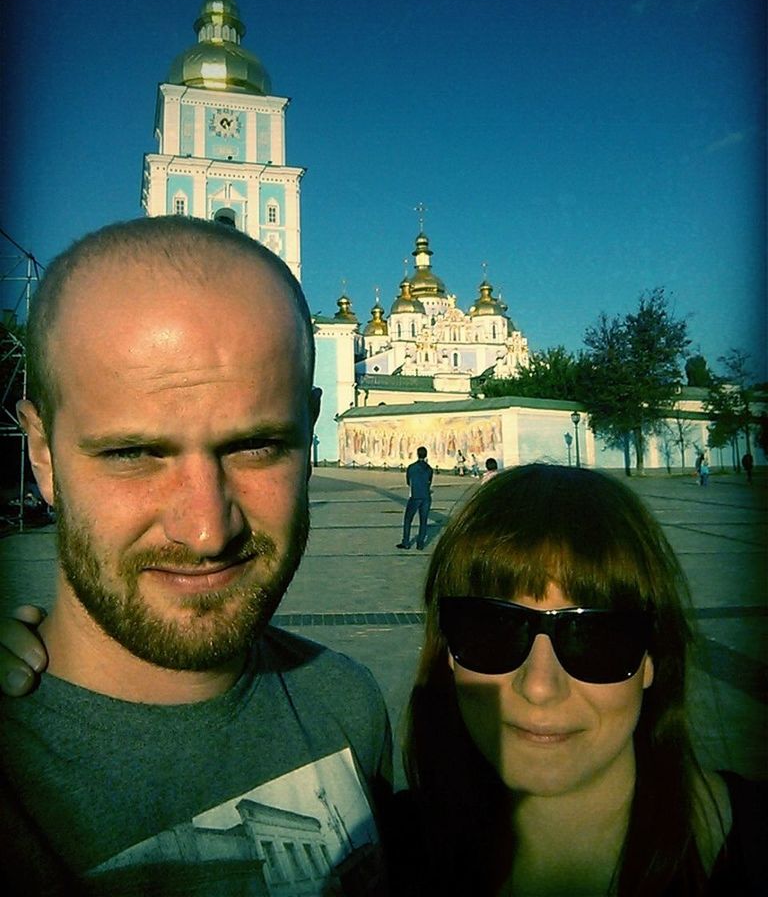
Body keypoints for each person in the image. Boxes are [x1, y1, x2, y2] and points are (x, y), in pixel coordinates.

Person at [0, 217, 392, 895]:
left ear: (310, 426)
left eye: (256, 446)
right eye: (132, 453)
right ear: (42, 454)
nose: (208, 530)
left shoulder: (346, 703)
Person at [393, 464, 765, 896]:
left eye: (595, 636)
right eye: (492, 628)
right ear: (450, 654)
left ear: (651, 659)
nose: (539, 685)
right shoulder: (384, 857)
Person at [397, 446, 433, 552]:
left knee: (408, 519)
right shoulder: (429, 469)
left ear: (417, 454)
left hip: (415, 497)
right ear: (426, 455)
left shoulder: (411, 467)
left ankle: (406, 542)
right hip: (426, 497)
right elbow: (429, 482)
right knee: (423, 521)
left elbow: (408, 482)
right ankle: (420, 543)